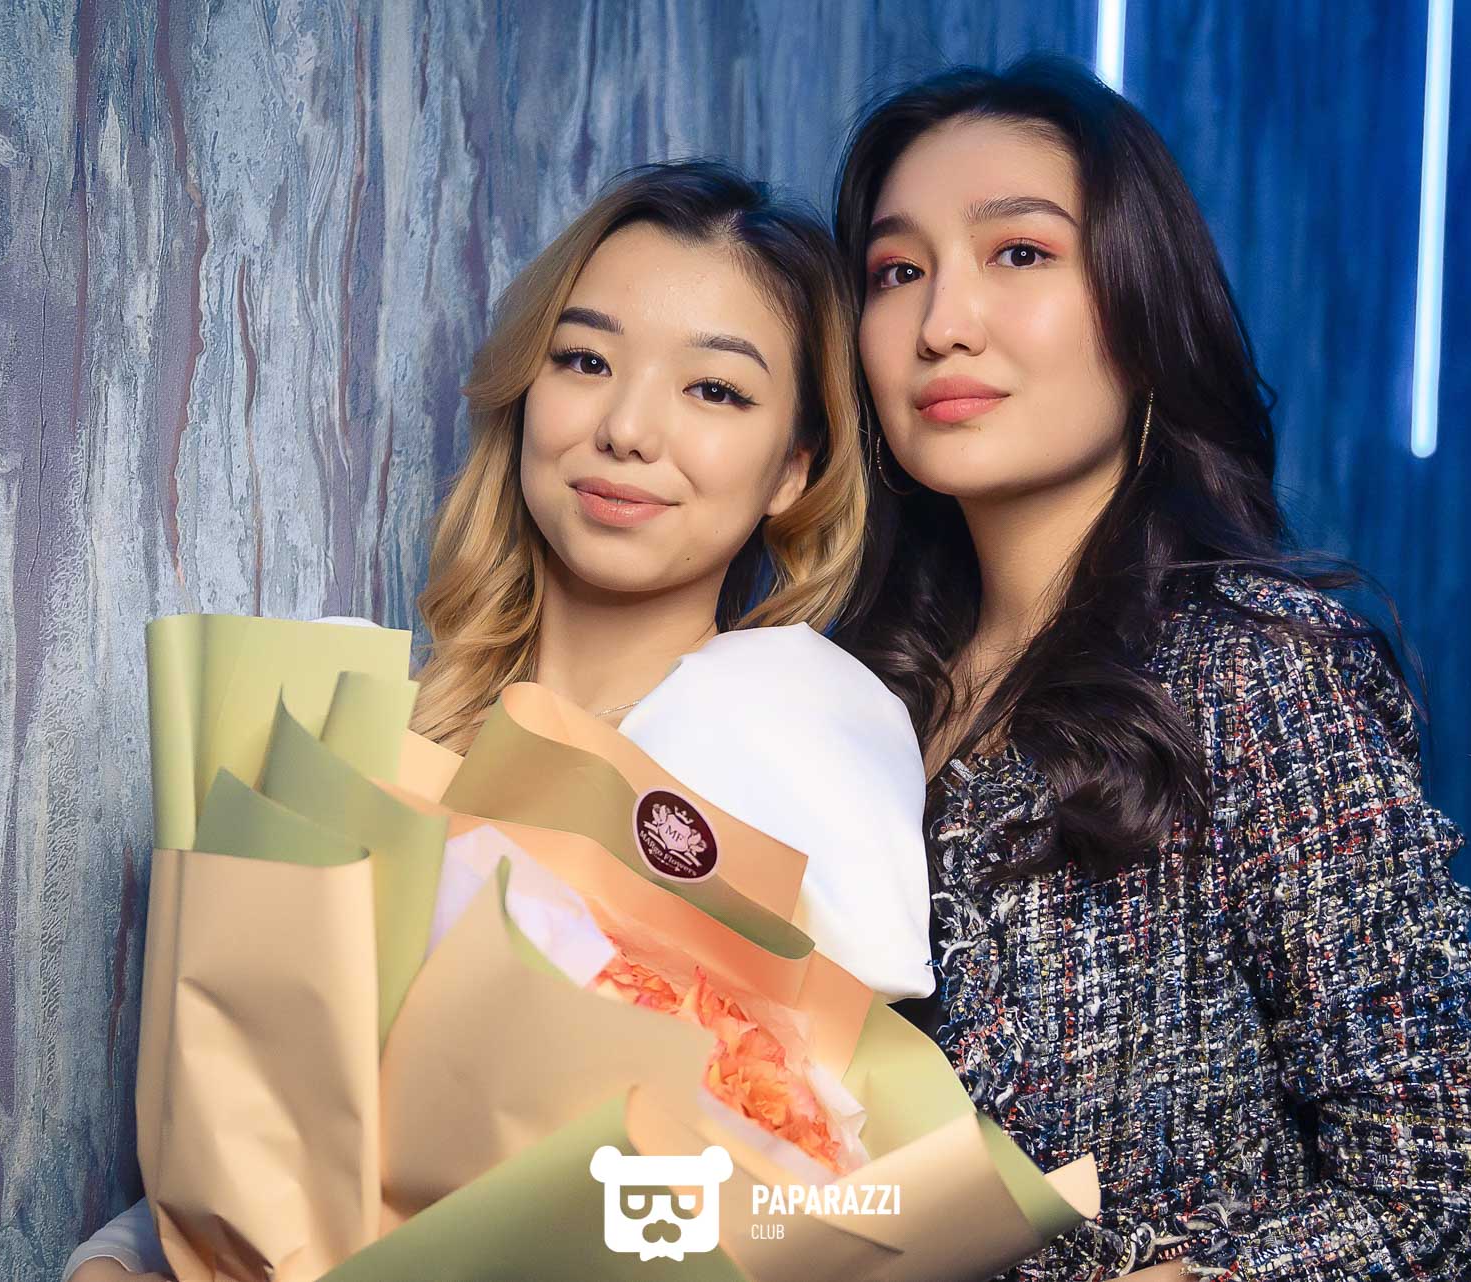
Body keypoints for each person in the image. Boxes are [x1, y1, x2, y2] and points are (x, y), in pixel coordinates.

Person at [68, 160, 932, 1282]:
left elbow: (830, 1199)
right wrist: (115, 1260)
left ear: (792, 470)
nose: (628, 428)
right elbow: (241, 1143)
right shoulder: (361, 740)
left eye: (714, 391)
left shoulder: (800, 744)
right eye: (585, 360)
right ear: (526, 392)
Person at [834, 58, 1471, 1279]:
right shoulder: (852, 692)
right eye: (899, 271)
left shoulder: (1257, 673)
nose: (942, 322)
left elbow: (1453, 1194)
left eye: (1019, 253)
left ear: (1146, 314)